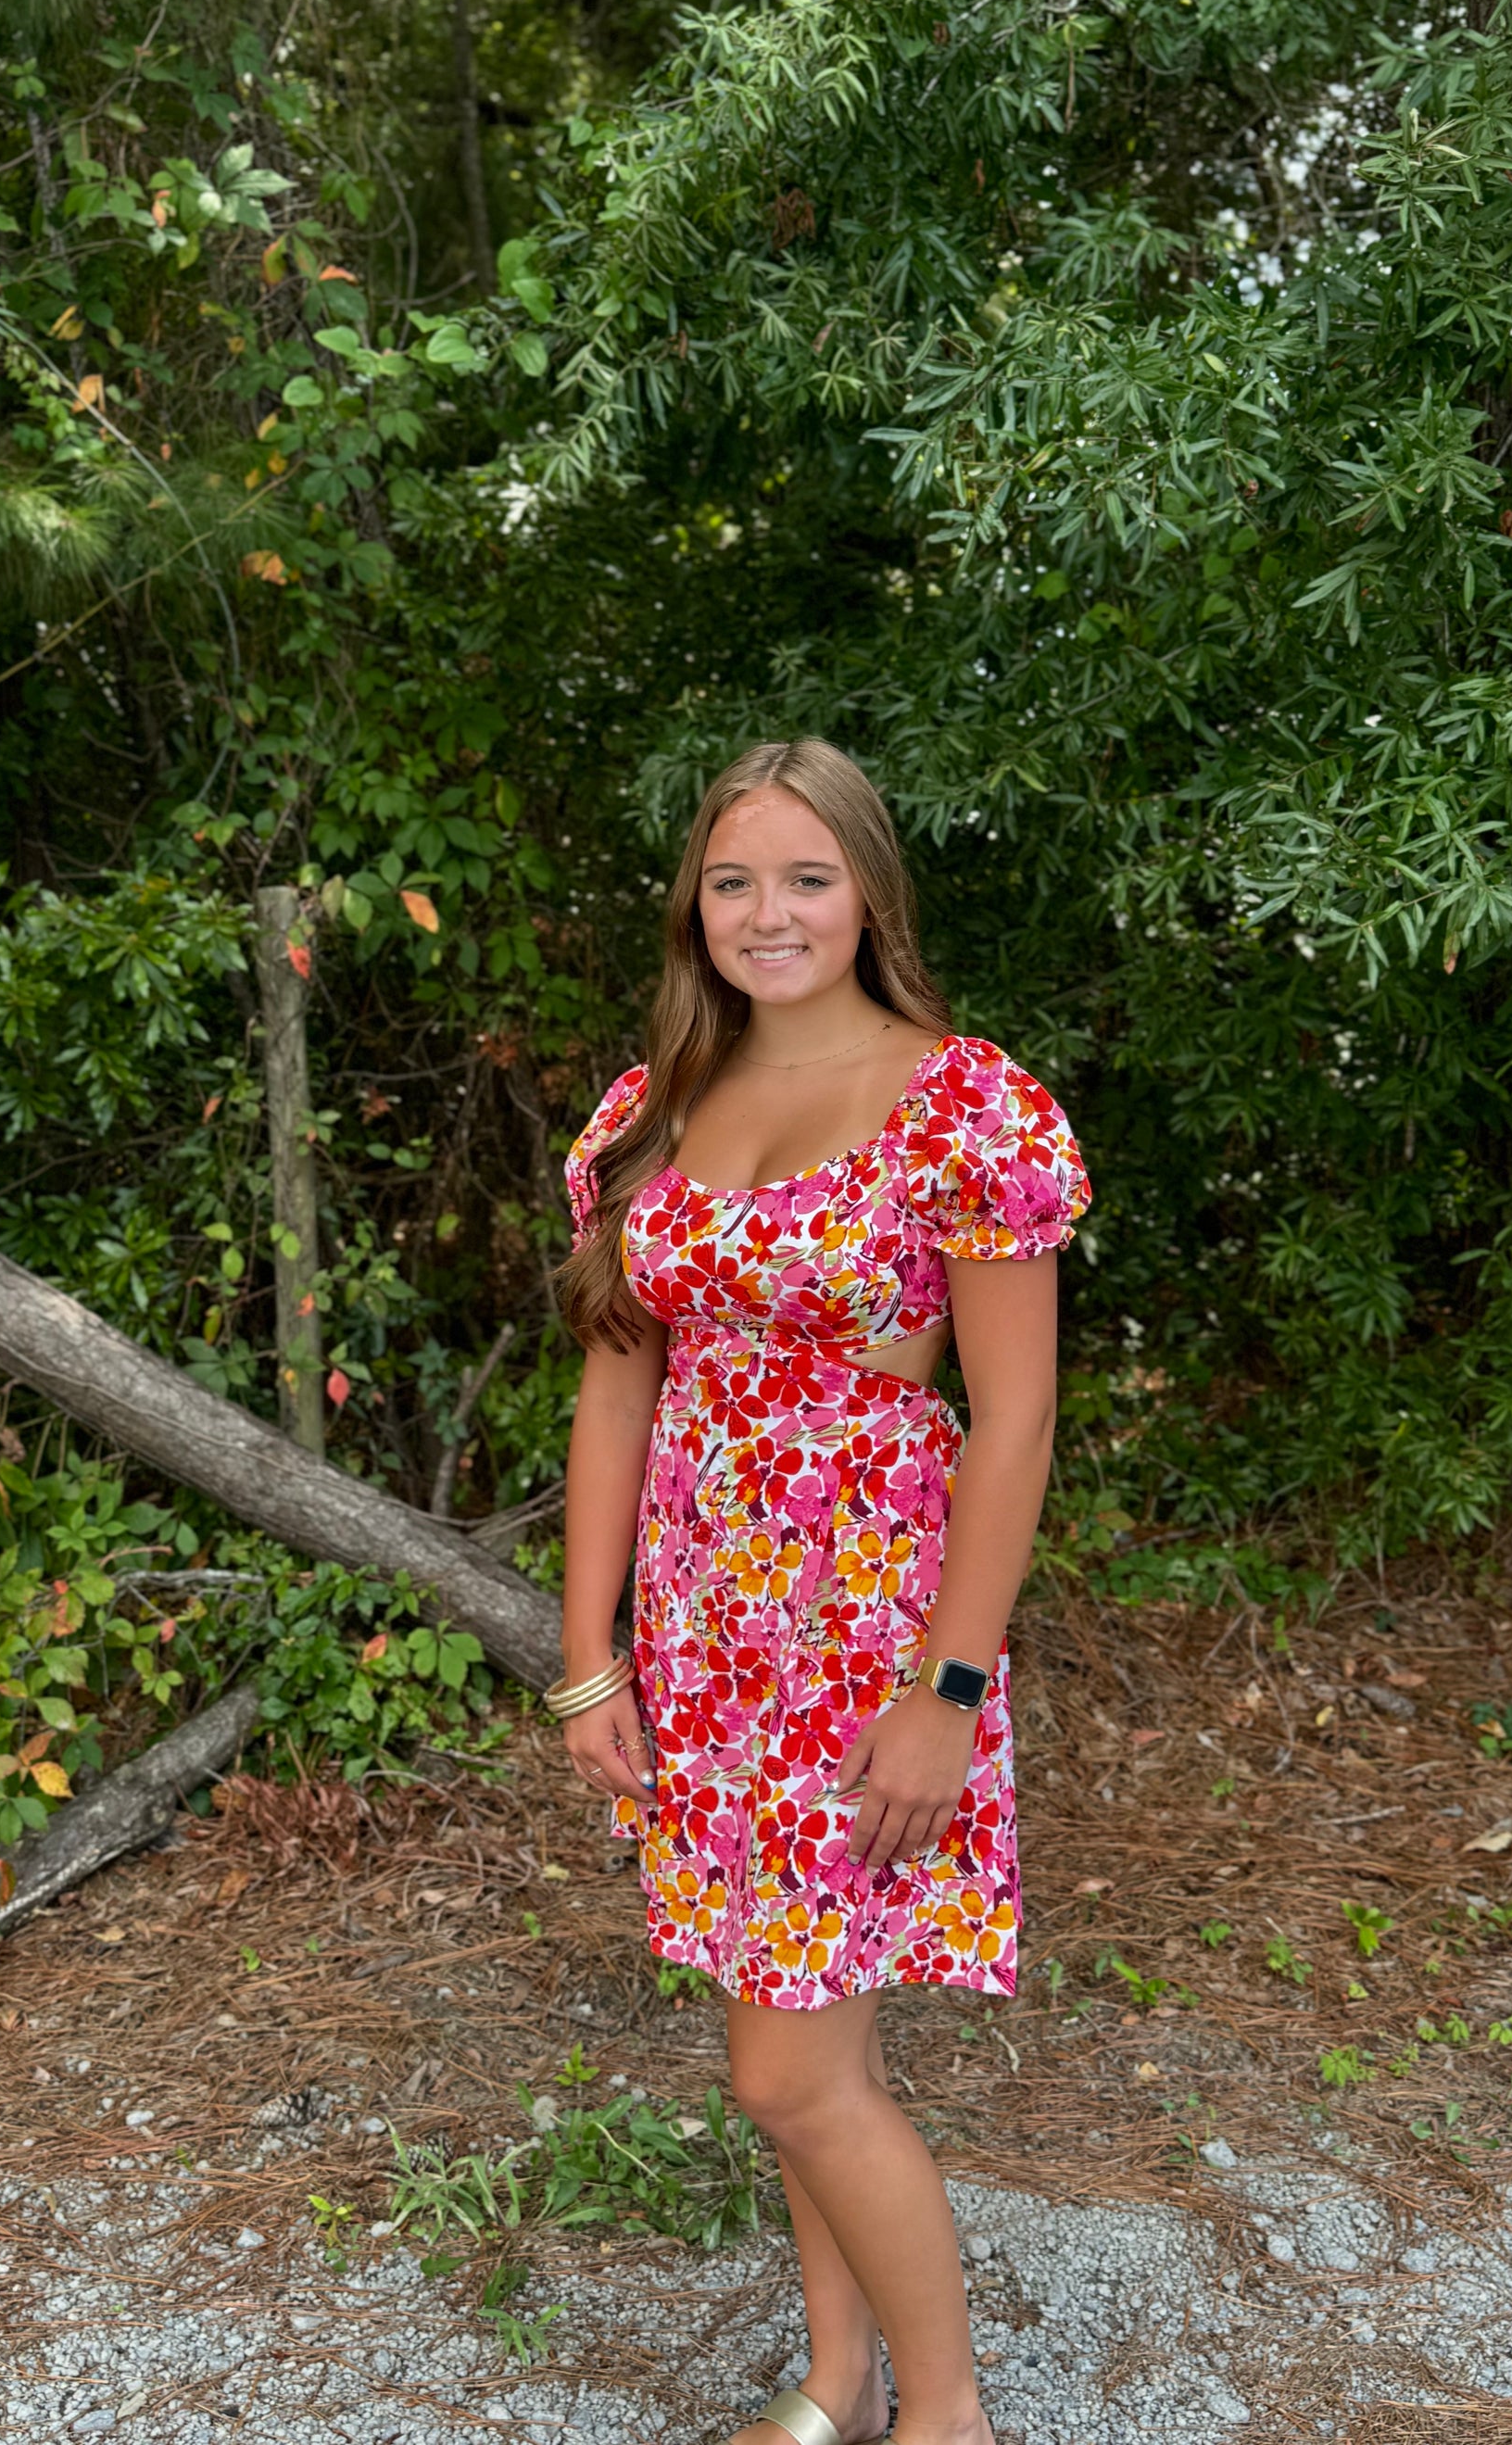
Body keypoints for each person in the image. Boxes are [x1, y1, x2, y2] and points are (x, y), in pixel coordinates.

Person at [552, 738, 1090, 2445]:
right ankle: (838, 2388)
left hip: (872, 1650)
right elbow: (617, 1388)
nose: (767, 914)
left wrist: (947, 1693)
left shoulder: (962, 1104)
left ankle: (948, 2422)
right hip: (708, 1644)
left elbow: (1011, 1424)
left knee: (783, 2074)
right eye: (732, 881)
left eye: (805, 878)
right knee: (806, 2060)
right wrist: (588, 1657)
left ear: (869, 892)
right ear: (692, 905)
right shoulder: (654, 1108)